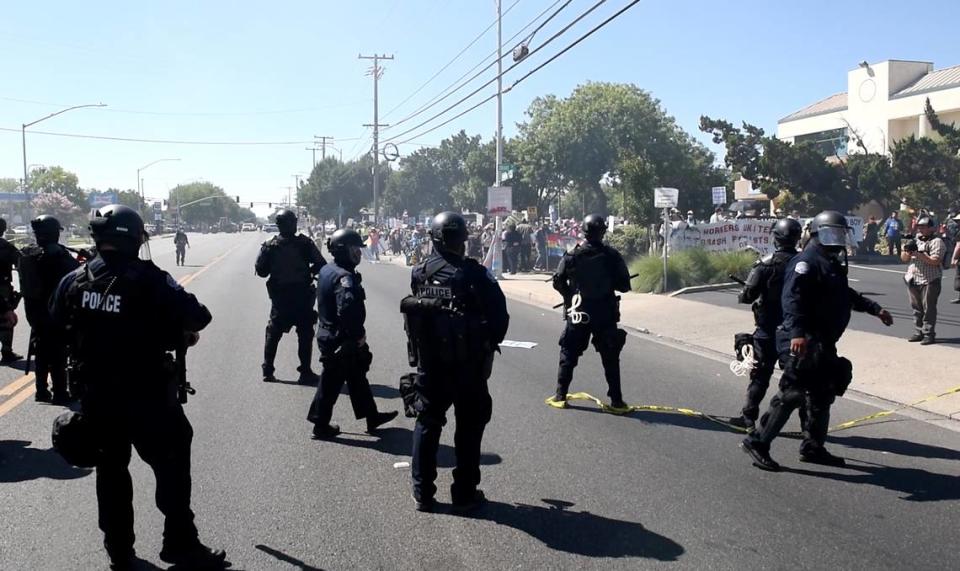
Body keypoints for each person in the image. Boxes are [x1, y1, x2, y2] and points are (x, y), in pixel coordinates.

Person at [50, 205, 226, 570]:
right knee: (172, 469)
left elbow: (54, 324)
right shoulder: (149, 278)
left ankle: (120, 553)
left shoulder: (75, 279)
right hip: (148, 397)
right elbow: (199, 316)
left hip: (97, 399)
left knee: (111, 474)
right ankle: (180, 543)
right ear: (133, 238)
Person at [741, 211, 892, 471]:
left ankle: (813, 446)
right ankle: (758, 441)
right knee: (792, 393)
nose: (838, 239)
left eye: (840, 233)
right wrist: (798, 333)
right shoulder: (806, 263)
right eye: (833, 233)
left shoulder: (829, 262)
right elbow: (792, 300)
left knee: (822, 394)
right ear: (817, 234)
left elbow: (844, 294)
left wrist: (874, 308)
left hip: (821, 342)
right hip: (801, 340)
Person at [403, 212, 509, 512]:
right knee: (469, 429)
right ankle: (464, 492)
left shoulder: (420, 272)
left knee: (427, 424)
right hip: (468, 368)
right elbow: (500, 317)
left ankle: (423, 492)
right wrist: (487, 343)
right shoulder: (475, 274)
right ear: (461, 241)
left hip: (430, 365)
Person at [307, 228, 397, 438]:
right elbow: (347, 309)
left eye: (358, 249)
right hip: (341, 338)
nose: (358, 253)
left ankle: (371, 415)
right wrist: (356, 336)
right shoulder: (344, 278)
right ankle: (320, 424)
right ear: (341, 251)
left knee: (357, 375)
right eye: (354, 249)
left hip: (330, 333)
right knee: (331, 381)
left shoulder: (329, 270)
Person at [549, 214, 632, 411]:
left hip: (579, 311)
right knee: (610, 356)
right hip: (605, 312)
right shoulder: (612, 256)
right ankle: (617, 401)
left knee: (568, 353)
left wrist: (570, 297)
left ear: (583, 232)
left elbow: (558, 281)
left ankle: (560, 395)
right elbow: (624, 286)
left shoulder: (572, 255)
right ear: (603, 231)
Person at [729, 219, 803, 431]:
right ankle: (809, 432)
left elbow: (747, 295)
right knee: (797, 381)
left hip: (768, 329)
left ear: (775, 238)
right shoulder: (803, 263)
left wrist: (749, 291)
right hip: (794, 331)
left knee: (760, 376)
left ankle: (748, 418)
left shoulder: (766, 264)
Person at [255, 209, 326, 384]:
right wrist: (307, 272)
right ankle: (305, 372)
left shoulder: (270, 245)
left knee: (274, 332)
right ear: (291, 224)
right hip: (300, 296)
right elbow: (320, 264)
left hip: (282, 298)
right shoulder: (304, 243)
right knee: (304, 333)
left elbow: (261, 270)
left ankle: (268, 369)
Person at [19, 215, 79, 403]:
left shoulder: (28, 253)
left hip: (35, 313)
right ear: (54, 233)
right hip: (55, 312)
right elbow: (77, 275)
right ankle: (60, 392)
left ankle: (41, 390)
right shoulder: (60, 255)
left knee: (42, 351)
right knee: (58, 353)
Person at [901, 216, 945, 345]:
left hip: (929, 279)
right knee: (916, 308)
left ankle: (929, 334)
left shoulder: (937, 242)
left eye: (923, 227)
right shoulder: (914, 240)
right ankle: (918, 332)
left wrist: (919, 254)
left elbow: (935, 261)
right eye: (919, 226)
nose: (920, 229)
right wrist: (907, 250)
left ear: (931, 228)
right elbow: (904, 259)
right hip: (913, 278)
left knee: (929, 308)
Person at [0, 218, 22, 363]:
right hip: (2, 287)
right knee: (6, 319)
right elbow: (21, 264)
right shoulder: (5, 247)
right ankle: (6, 351)